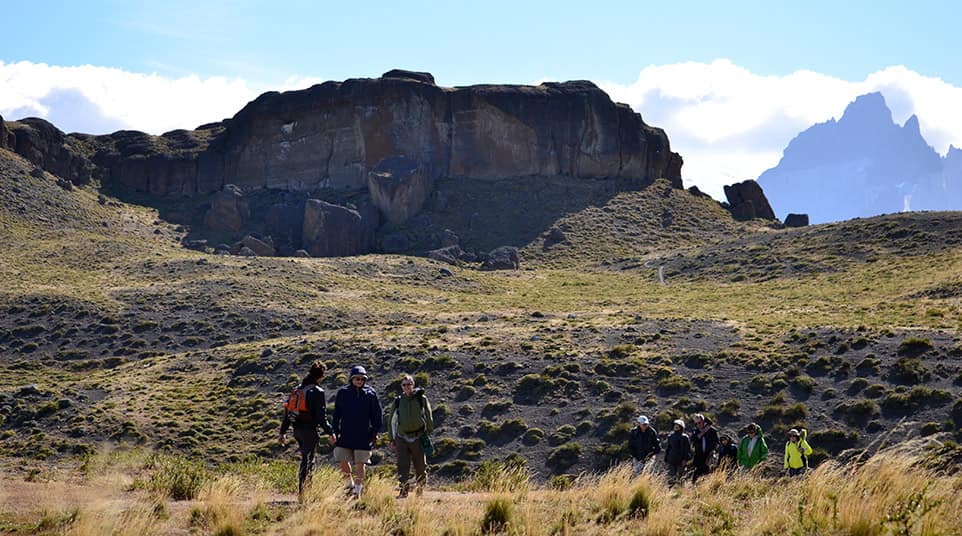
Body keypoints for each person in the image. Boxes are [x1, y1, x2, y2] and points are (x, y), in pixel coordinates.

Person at [279, 360, 336, 497]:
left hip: (296, 429)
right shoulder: (317, 391)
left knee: (306, 458)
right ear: (321, 376)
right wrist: (330, 432)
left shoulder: (297, 390)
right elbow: (321, 417)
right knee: (308, 460)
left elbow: (288, 413)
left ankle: (304, 491)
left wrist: (282, 432)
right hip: (309, 430)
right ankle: (304, 493)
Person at [332, 365, 383, 498]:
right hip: (345, 434)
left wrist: (374, 432)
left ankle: (357, 492)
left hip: (363, 435)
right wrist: (334, 431)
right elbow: (336, 414)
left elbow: (377, 414)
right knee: (342, 458)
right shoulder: (343, 393)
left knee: (360, 463)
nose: (360, 381)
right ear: (352, 379)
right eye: (357, 379)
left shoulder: (370, 393)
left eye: (362, 379)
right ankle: (349, 484)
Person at [387, 374, 434, 498]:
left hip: (418, 436)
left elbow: (428, 414)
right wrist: (392, 439)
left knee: (420, 466)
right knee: (403, 466)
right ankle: (403, 491)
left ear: (413, 385)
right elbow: (392, 420)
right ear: (401, 387)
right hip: (402, 437)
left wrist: (428, 430)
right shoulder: (397, 401)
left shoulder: (421, 399)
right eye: (404, 385)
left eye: (409, 384)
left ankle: (420, 491)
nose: (407, 387)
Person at [690, 414, 719, 484]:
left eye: (699, 422)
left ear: (703, 421)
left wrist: (713, 451)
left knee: (708, 474)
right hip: (699, 456)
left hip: (709, 455)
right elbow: (693, 439)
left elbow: (717, 443)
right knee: (696, 475)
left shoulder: (712, 431)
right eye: (696, 423)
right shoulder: (695, 431)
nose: (698, 425)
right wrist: (703, 432)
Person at [663, 419, 691, 485]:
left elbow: (687, 450)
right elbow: (668, 448)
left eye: (677, 426)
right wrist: (666, 458)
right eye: (675, 426)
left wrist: (685, 459)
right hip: (671, 460)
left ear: (681, 427)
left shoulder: (685, 437)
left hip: (681, 461)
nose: (675, 427)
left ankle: (681, 491)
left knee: (681, 478)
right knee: (670, 477)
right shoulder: (671, 436)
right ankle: (670, 491)